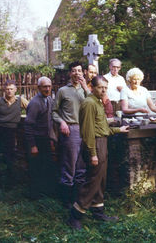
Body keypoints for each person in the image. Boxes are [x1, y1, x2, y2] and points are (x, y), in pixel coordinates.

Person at [67, 76, 129, 230]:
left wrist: (118, 130)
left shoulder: (98, 102)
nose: (103, 90)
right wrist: (93, 154)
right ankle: (75, 214)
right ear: (91, 87)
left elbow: (101, 127)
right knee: (93, 180)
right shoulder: (89, 103)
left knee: (101, 179)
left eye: (105, 88)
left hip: (102, 142)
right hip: (94, 145)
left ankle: (98, 210)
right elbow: (88, 132)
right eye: (100, 87)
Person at [52, 61, 89, 208]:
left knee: (82, 166)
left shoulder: (86, 90)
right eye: (74, 71)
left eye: (79, 71)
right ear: (70, 73)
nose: (77, 73)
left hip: (85, 129)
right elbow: (54, 112)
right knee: (70, 165)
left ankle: (78, 199)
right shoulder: (62, 91)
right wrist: (62, 122)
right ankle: (66, 201)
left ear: (83, 73)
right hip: (71, 129)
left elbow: (95, 104)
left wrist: (85, 87)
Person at [24, 76, 56, 199]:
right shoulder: (35, 103)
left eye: (49, 86)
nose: (47, 89)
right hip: (36, 140)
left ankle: (44, 192)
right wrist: (32, 145)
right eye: (44, 87)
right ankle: (34, 195)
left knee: (46, 166)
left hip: (45, 139)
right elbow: (28, 125)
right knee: (35, 168)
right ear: (39, 88)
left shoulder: (49, 100)